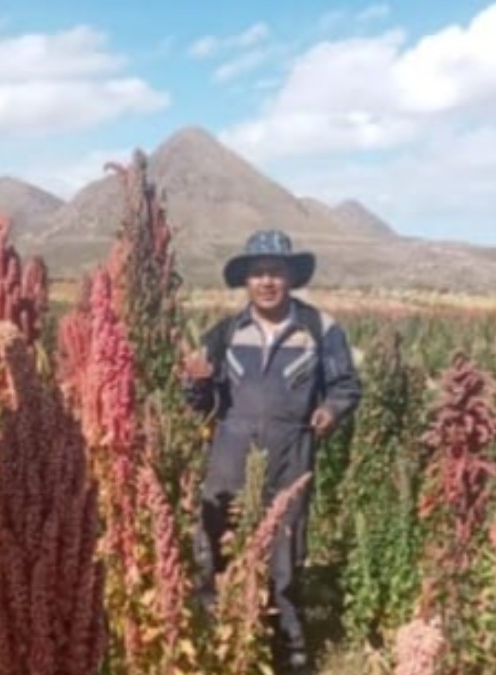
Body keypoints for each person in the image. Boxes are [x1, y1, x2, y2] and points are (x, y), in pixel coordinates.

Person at [180, 229, 362, 672]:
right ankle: (218, 644)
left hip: (290, 454)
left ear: (291, 277)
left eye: (275, 272)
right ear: (246, 280)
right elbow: (202, 406)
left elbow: (346, 386)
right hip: (230, 455)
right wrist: (197, 382)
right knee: (216, 549)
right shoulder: (224, 333)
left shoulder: (320, 329)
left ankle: (287, 653)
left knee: (283, 554)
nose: (266, 282)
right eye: (257, 273)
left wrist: (331, 411)